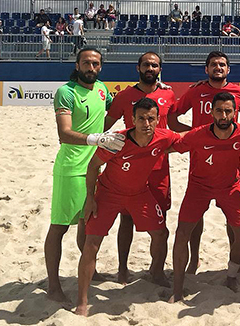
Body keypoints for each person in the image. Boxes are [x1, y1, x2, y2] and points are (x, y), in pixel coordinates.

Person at [75, 98, 180, 316]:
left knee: (161, 233)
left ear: (158, 120)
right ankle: (82, 301)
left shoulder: (164, 136)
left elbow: (188, 140)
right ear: (132, 119)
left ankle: (157, 273)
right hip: (108, 193)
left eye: (151, 118)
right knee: (91, 243)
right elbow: (93, 165)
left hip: (139, 194)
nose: (146, 123)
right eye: (141, 118)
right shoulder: (117, 141)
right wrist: (90, 198)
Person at [167, 51, 240, 274]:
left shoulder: (238, 92)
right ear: (206, 69)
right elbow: (173, 119)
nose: (218, 68)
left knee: (233, 218)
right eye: (213, 65)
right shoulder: (196, 91)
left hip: (229, 161)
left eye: (222, 65)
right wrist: (193, 135)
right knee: (195, 215)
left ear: (228, 70)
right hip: (199, 161)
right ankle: (194, 259)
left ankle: (233, 263)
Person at [45, 48, 124, 304]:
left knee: (86, 224)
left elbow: (118, 109)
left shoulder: (102, 89)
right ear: (78, 64)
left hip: (95, 168)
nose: (91, 68)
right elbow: (64, 134)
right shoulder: (66, 92)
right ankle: (53, 285)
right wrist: (97, 139)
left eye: (96, 64)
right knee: (59, 227)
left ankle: (92, 270)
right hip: (70, 169)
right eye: (87, 63)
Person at [104, 52, 178, 284]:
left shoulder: (168, 94)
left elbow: (174, 126)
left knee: (160, 220)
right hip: (130, 168)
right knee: (125, 220)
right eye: (146, 64)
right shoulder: (125, 96)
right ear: (138, 68)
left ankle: (156, 270)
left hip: (159, 168)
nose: (150, 68)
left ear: (160, 69)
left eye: (154, 65)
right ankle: (123, 269)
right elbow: (105, 125)